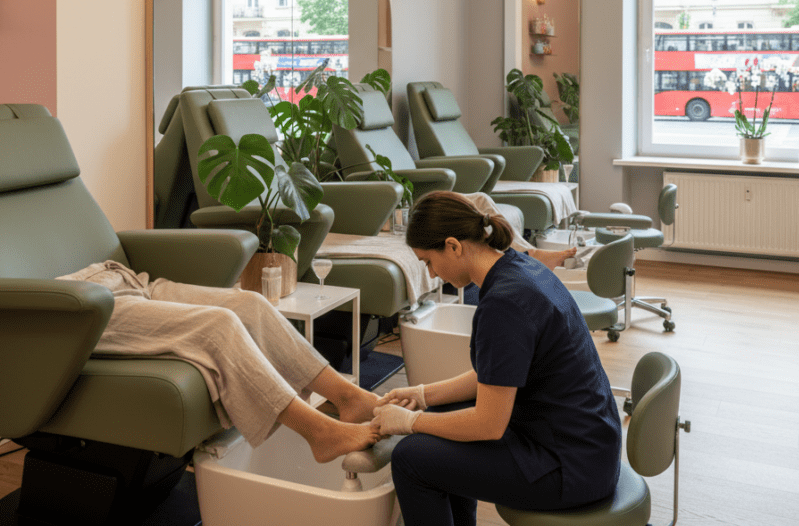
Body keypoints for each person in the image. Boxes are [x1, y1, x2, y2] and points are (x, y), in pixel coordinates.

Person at [371, 191, 621, 526]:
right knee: (443, 417)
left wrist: (409, 422)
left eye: (428, 261)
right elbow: (497, 375)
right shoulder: (521, 267)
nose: (431, 273)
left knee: (410, 458)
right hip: (588, 446)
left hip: (569, 468)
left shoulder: (504, 304)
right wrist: (422, 395)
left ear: (453, 246)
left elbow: (488, 425)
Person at [58, 260, 381, 462]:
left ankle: (347, 397)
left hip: (122, 277)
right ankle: (318, 431)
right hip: (77, 303)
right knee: (218, 325)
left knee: (251, 304)